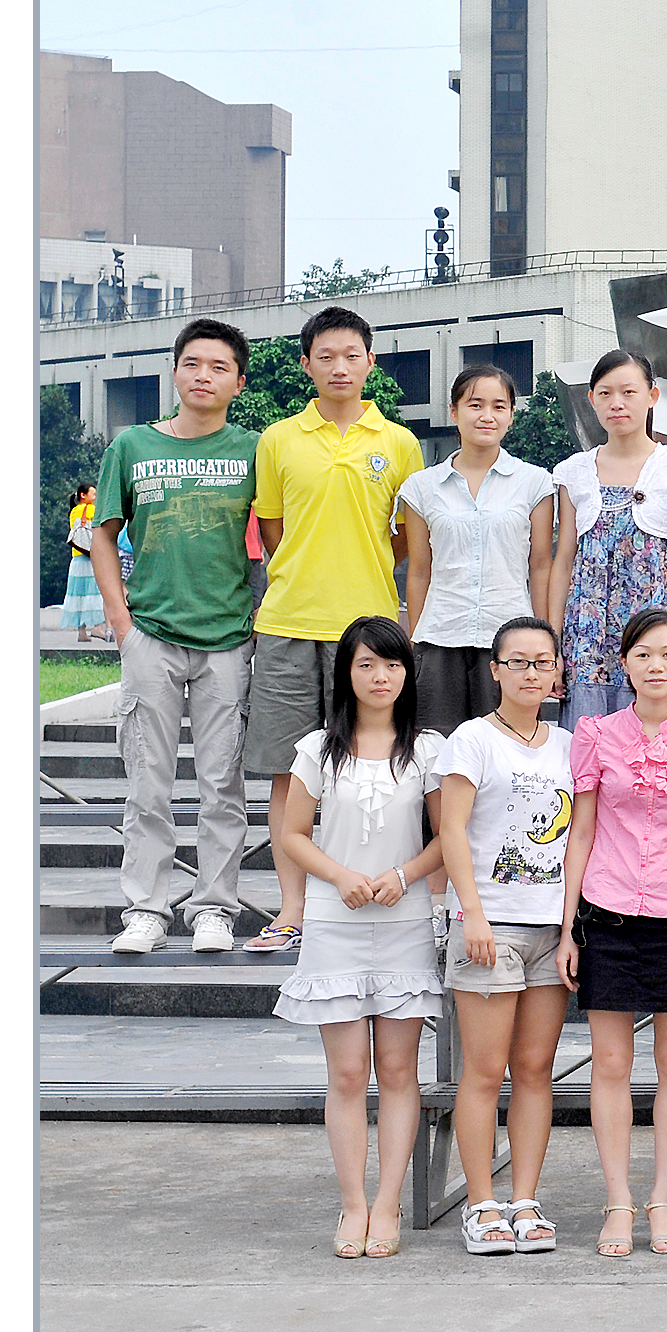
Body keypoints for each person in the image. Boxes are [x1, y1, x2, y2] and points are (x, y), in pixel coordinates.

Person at [242, 306, 425, 954]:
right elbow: (272, 528)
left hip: (369, 630)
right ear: (306, 364)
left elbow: (406, 537)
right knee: (288, 775)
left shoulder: (398, 442)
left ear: (371, 361)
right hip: (289, 622)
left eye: (352, 355)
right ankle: (293, 909)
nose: (339, 367)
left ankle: (376, 898)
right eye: (325, 356)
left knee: (379, 767)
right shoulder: (277, 439)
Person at [271, 616, 448, 1260]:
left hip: (403, 923)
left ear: (408, 674)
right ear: (346, 673)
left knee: (398, 1071)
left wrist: (405, 876)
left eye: (393, 664)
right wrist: (339, 875)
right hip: (334, 922)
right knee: (347, 1074)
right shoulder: (317, 749)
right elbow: (291, 834)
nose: (381, 677)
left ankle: (388, 1202)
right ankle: (352, 1204)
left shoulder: (428, 750)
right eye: (367, 664)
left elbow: (448, 838)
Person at [557, 608, 667, 1258]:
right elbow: (582, 832)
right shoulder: (596, 733)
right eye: (644, 654)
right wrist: (569, 928)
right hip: (607, 911)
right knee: (611, 1063)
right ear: (624, 663)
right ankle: (618, 1200)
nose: (657, 666)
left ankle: (662, 1198)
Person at [94, 320, 259, 956]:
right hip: (151, 635)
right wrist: (121, 623)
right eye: (192, 364)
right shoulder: (132, 445)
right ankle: (146, 909)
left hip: (228, 638)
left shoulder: (256, 450)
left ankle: (214, 907)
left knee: (222, 786)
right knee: (147, 784)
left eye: (218, 367)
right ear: (174, 372)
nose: (203, 376)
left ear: (238, 382)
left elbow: (274, 536)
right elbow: (104, 534)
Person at [438, 616, 576, 1255]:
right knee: (485, 1070)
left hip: (550, 929)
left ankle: (523, 1199)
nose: (530, 673)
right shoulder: (472, 739)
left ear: (557, 671)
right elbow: (452, 830)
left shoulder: (569, 745)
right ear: (495, 670)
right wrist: (472, 914)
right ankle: (481, 1203)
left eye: (541, 662)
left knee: (535, 1069)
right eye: (516, 662)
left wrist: (571, 928)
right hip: (489, 927)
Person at [397, 364, 557, 735]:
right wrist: (417, 641)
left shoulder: (535, 483)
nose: (487, 416)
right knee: (437, 747)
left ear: (511, 415)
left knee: (506, 745)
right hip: (440, 637)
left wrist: (546, 641)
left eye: (499, 406)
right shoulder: (422, 487)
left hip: (511, 640)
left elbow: (540, 566)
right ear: (454, 412)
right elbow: (419, 570)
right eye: (475, 405)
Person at [549, 348, 667, 730]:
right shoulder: (573, 472)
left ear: (652, 396)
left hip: (656, 635)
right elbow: (563, 562)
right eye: (605, 393)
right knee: (589, 744)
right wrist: (553, 648)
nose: (617, 403)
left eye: (629, 392)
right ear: (592, 399)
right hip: (588, 639)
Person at [61, 485, 105, 638]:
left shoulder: (74, 511)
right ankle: (98, 627)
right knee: (96, 593)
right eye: (93, 494)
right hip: (90, 557)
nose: (95, 497)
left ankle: (82, 631)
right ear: (83, 495)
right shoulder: (91, 510)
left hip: (77, 559)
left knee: (79, 595)